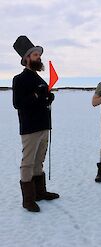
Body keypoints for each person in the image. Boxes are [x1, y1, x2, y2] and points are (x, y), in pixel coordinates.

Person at [12, 36, 59, 212]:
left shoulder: (40, 79)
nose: (38, 57)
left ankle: (40, 192)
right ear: (26, 59)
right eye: (35, 55)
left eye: (39, 54)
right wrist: (37, 96)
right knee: (28, 163)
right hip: (30, 127)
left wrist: (48, 97)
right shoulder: (20, 79)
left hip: (44, 125)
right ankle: (28, 200)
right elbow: (18, 103)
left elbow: (42, 98)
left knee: (39, 161)